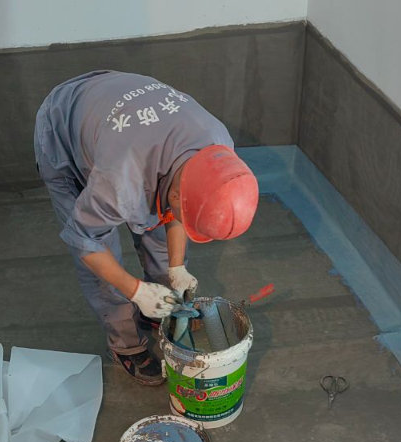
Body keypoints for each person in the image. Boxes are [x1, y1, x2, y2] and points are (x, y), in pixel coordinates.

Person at [34, 71, 259, 385]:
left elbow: (178, 211)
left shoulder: (219, 147)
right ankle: (126, 344)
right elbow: (85, 242)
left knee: (160, 239)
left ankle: (160, 309)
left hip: (119, 117)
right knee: (103, 265)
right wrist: (135, 290)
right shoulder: (121, 183)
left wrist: (176, 268)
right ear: (176, 195)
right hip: (64, 128)